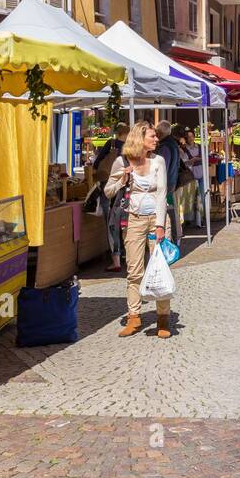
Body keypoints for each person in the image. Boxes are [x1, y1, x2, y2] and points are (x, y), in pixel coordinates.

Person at [103, 122, 172, 338]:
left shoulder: (158, 161)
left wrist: (160, 225)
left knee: (160, 267)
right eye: (152, 136)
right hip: (134, 219)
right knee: (134, 270)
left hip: (157, 220)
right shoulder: (121, 161)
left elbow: (162, 194)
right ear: (139, 139)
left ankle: (163, 319)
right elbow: (108, 191)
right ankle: (134, 316)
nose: (156, 139)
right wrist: (123, 178)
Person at [89, 122, 129, 272]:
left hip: (108, 184)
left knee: (111, 223)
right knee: (123, 223)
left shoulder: (111, 143)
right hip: (124, 190)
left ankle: (116, 259)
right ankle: (126, 253)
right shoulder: (131, 149)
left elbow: (98, 161)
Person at [154, 120, 183, 242]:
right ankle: (176, 236)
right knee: (171, 211)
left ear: (160, 132)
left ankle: (171, 238)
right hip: (171, 182)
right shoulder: (173, 144)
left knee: (167, 213)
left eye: (156, 132)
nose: (156, 136)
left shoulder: (165, 146)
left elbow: (162, 166)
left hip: (166, 183)